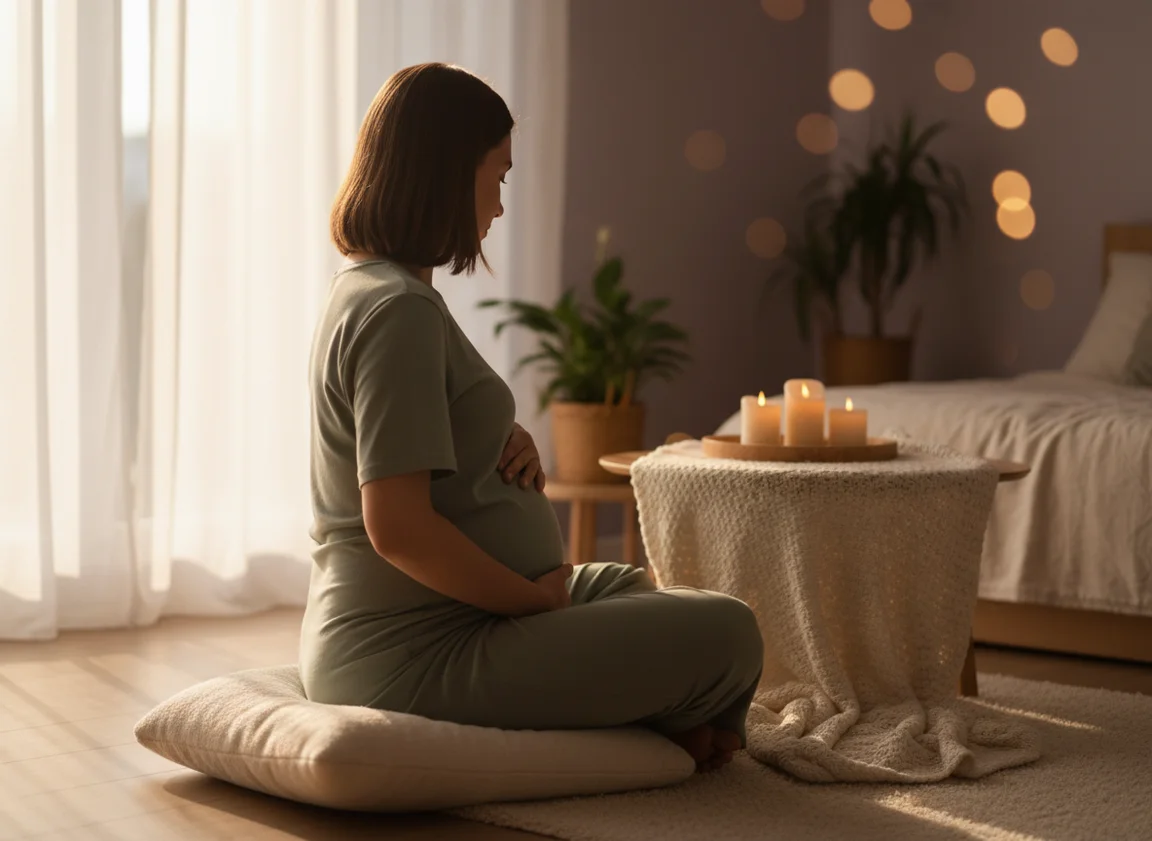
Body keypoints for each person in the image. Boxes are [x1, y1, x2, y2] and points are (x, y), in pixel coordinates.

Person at [300, 62, 763, 773]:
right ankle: (653, 728)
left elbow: (404, 431)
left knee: (621, 585)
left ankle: (643, 724)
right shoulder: (397, 310)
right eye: (499, 175)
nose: (500, 205)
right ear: (449, 173)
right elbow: (396, 524)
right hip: (413, 648)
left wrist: (494, 436)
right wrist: (530, 601)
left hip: (448, 623)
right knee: (730, 629)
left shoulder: (372, 290)